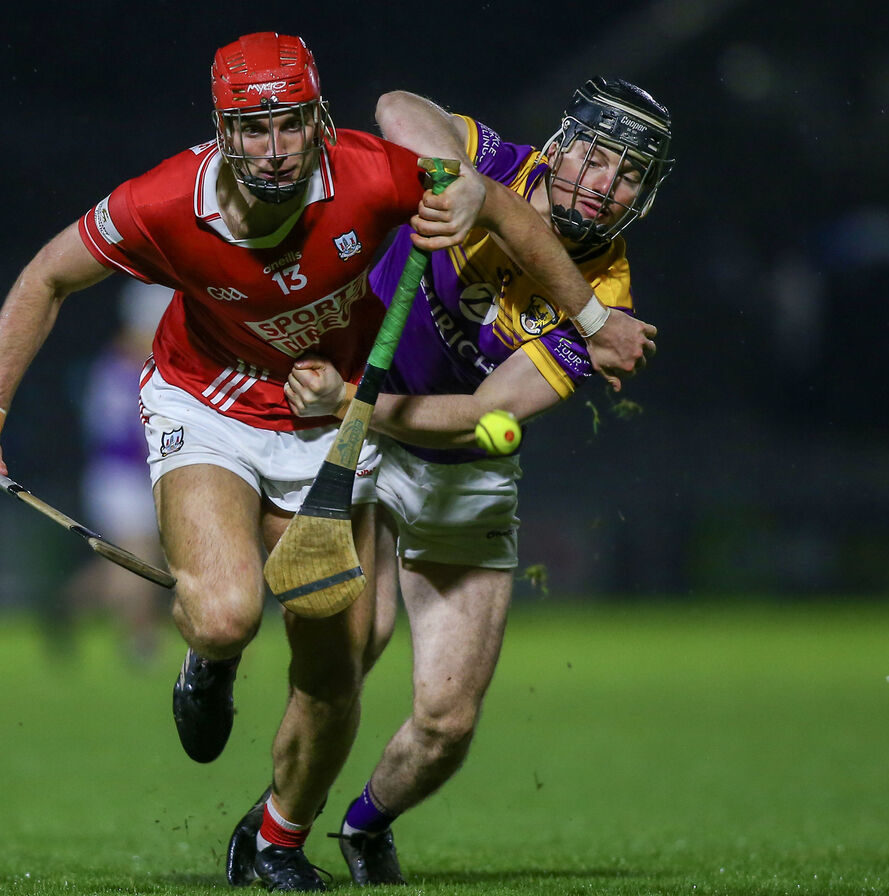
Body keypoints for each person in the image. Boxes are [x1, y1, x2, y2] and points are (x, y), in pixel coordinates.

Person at [0, 30, 649, 890]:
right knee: (229, 614)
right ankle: (210, 659)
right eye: (251, 128)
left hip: (342, 421)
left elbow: (491, 374)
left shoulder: (372, 178)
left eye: (289, 126)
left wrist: (588, 312)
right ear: (220, 130)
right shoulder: (162, 201)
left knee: (338, 664)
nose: (273, 150)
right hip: (211, 402)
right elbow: (45, 277)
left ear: (317, 120)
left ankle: (278, 841)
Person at [252, 77, 674, 885]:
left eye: (625, 174)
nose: (600, 180)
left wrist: (357, 406)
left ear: (641, 199)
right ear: (560, 145)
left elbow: (485, 408)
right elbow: (395, 107)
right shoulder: (497, 162)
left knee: (447, 722)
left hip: (456, 457)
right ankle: (275, 826)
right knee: (356, 645)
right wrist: (457, 178)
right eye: (594, 154)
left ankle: (365, 824)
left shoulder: (607, 303)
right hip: (361, 435)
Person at [62, 280, 173, 665]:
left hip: (141, 475)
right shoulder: (122, 368)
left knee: (132, 560)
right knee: (139, 559)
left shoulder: (134, 364)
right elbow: (125, 431)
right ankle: (140, 642)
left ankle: (69, 604)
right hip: (120, 475)